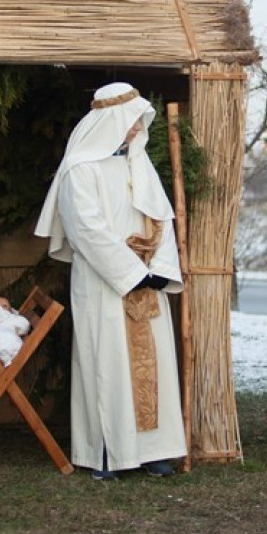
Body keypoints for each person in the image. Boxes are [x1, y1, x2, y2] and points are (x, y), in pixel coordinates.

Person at [34, 82, 186, 480]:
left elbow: (162, 220)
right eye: (131, 120)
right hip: (106, 283)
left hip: (147, 280)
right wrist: (131, 273)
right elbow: (88, 231)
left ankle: (154, 449)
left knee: (154, 366)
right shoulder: (79, 170)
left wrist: (159, 269)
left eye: (140, 120)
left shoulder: (141, 165)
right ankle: (106, 451)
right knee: (108, 364)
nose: (137, 128)